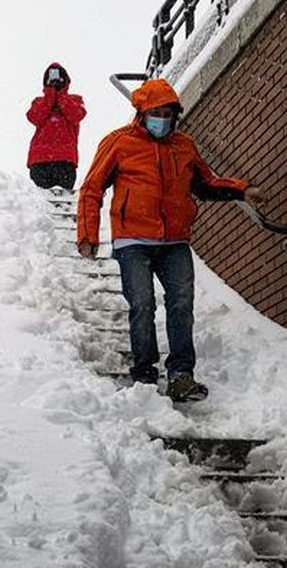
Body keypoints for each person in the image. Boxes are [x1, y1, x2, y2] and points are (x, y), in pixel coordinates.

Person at [75, 78, 266, 402]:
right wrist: (87, 235)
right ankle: (145, 373)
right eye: (156, 112)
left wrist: (241, 189)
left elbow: (206, 183)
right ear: (141, 112)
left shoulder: (184, 146)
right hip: (132, 239)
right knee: (143, 304)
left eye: (167, 113)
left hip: (174, 241)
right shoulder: (119, 143)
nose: (162, 119)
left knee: (181, 303)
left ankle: (181, 375)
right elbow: (92, 189)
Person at [26, 62, 86, 190]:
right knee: (39, 202)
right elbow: (34, 117)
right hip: (40, 160)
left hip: (64, 160)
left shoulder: (75, 100)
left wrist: (60, 95)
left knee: (61, 201)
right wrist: (50, 94)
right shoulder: (39, 101)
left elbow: (77, 115)